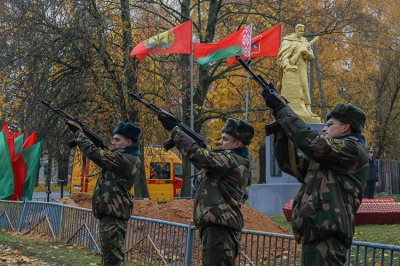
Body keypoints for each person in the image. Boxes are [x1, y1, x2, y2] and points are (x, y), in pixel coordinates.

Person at [262, 86, 369, 265]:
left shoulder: (353, 150)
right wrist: (282, 131)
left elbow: (311, 142)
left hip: (328, 238)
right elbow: (291, 164)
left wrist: (282, 110)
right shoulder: (329, 158)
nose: (324, 129)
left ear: (346, 127)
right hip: (315, 235)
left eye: (329, 124)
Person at [157, 115, 253, 265]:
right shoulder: (229, 160)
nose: (220, 142)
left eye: (225, 139)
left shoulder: (230, 160)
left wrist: (175, 131)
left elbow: (199, 155)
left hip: (220, 231)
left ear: (237, 143)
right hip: (217, 229)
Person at [66, 120, 141, 266]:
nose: (113, 142)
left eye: (117, 140)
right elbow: (101, 155)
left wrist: (79, 133)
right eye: (113, 139)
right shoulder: (119, 158)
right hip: (110, 216)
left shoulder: (126, 159)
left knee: (112, 260)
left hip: (114, 217)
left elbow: (94, 153)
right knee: (108, 257)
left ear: (129, 142)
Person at [277, 24, 320, 122]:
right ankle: (295, 109)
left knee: (305, 87)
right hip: (291, 69)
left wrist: (305, 53)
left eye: (302, 31)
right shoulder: (288, 40)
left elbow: (311, 58)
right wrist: (288, 64)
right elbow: (283, 56)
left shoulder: (304, 41)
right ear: (295, 30)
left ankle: (308, 109)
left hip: (301, 67)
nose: (300, 33)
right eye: (299, 31)